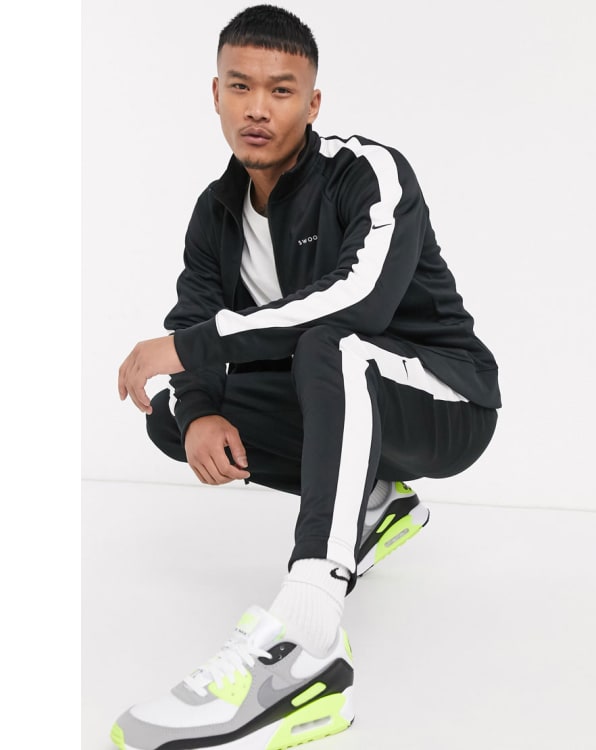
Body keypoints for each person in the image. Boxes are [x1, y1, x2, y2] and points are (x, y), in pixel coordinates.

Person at [113, 5, 501, 749]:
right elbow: (196, 314)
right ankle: (376, 503)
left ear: (313, 103)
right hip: (342, 396)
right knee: (176, 415)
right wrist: (198, 407)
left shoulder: (368, 173)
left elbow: (361, 301)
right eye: (240, 86)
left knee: (332, 342)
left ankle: (308, 643)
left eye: (282, 90)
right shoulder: (216, 213)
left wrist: (192, 345)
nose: (258, 108)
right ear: (216, 94)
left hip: (445, 402)